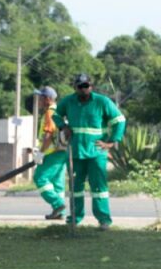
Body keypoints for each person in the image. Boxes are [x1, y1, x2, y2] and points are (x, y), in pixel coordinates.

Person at [52, 74, 126, 230]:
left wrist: (112, 141)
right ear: (75, 87)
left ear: (91, 86)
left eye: (86, 86)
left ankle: (104, 220)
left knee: (98, 188)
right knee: (75, 188)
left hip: (96, 152)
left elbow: (120, 120)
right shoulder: (68, 101)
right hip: (75, 152)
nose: (83, 89)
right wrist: (63, 126)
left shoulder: (102, 101)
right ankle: (75, 219)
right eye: (80, 86)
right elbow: (56, 115)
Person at [32, 86, 67, 220]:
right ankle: (59, 212)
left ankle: (58, 204)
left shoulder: (49, 113)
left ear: (47, 99)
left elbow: (48, 136)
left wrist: (40, 154)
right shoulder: (59, 111)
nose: (39, 101)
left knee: (40, 178)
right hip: (62, 152)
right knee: (58, 183)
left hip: (52, 152)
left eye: (40, 98)